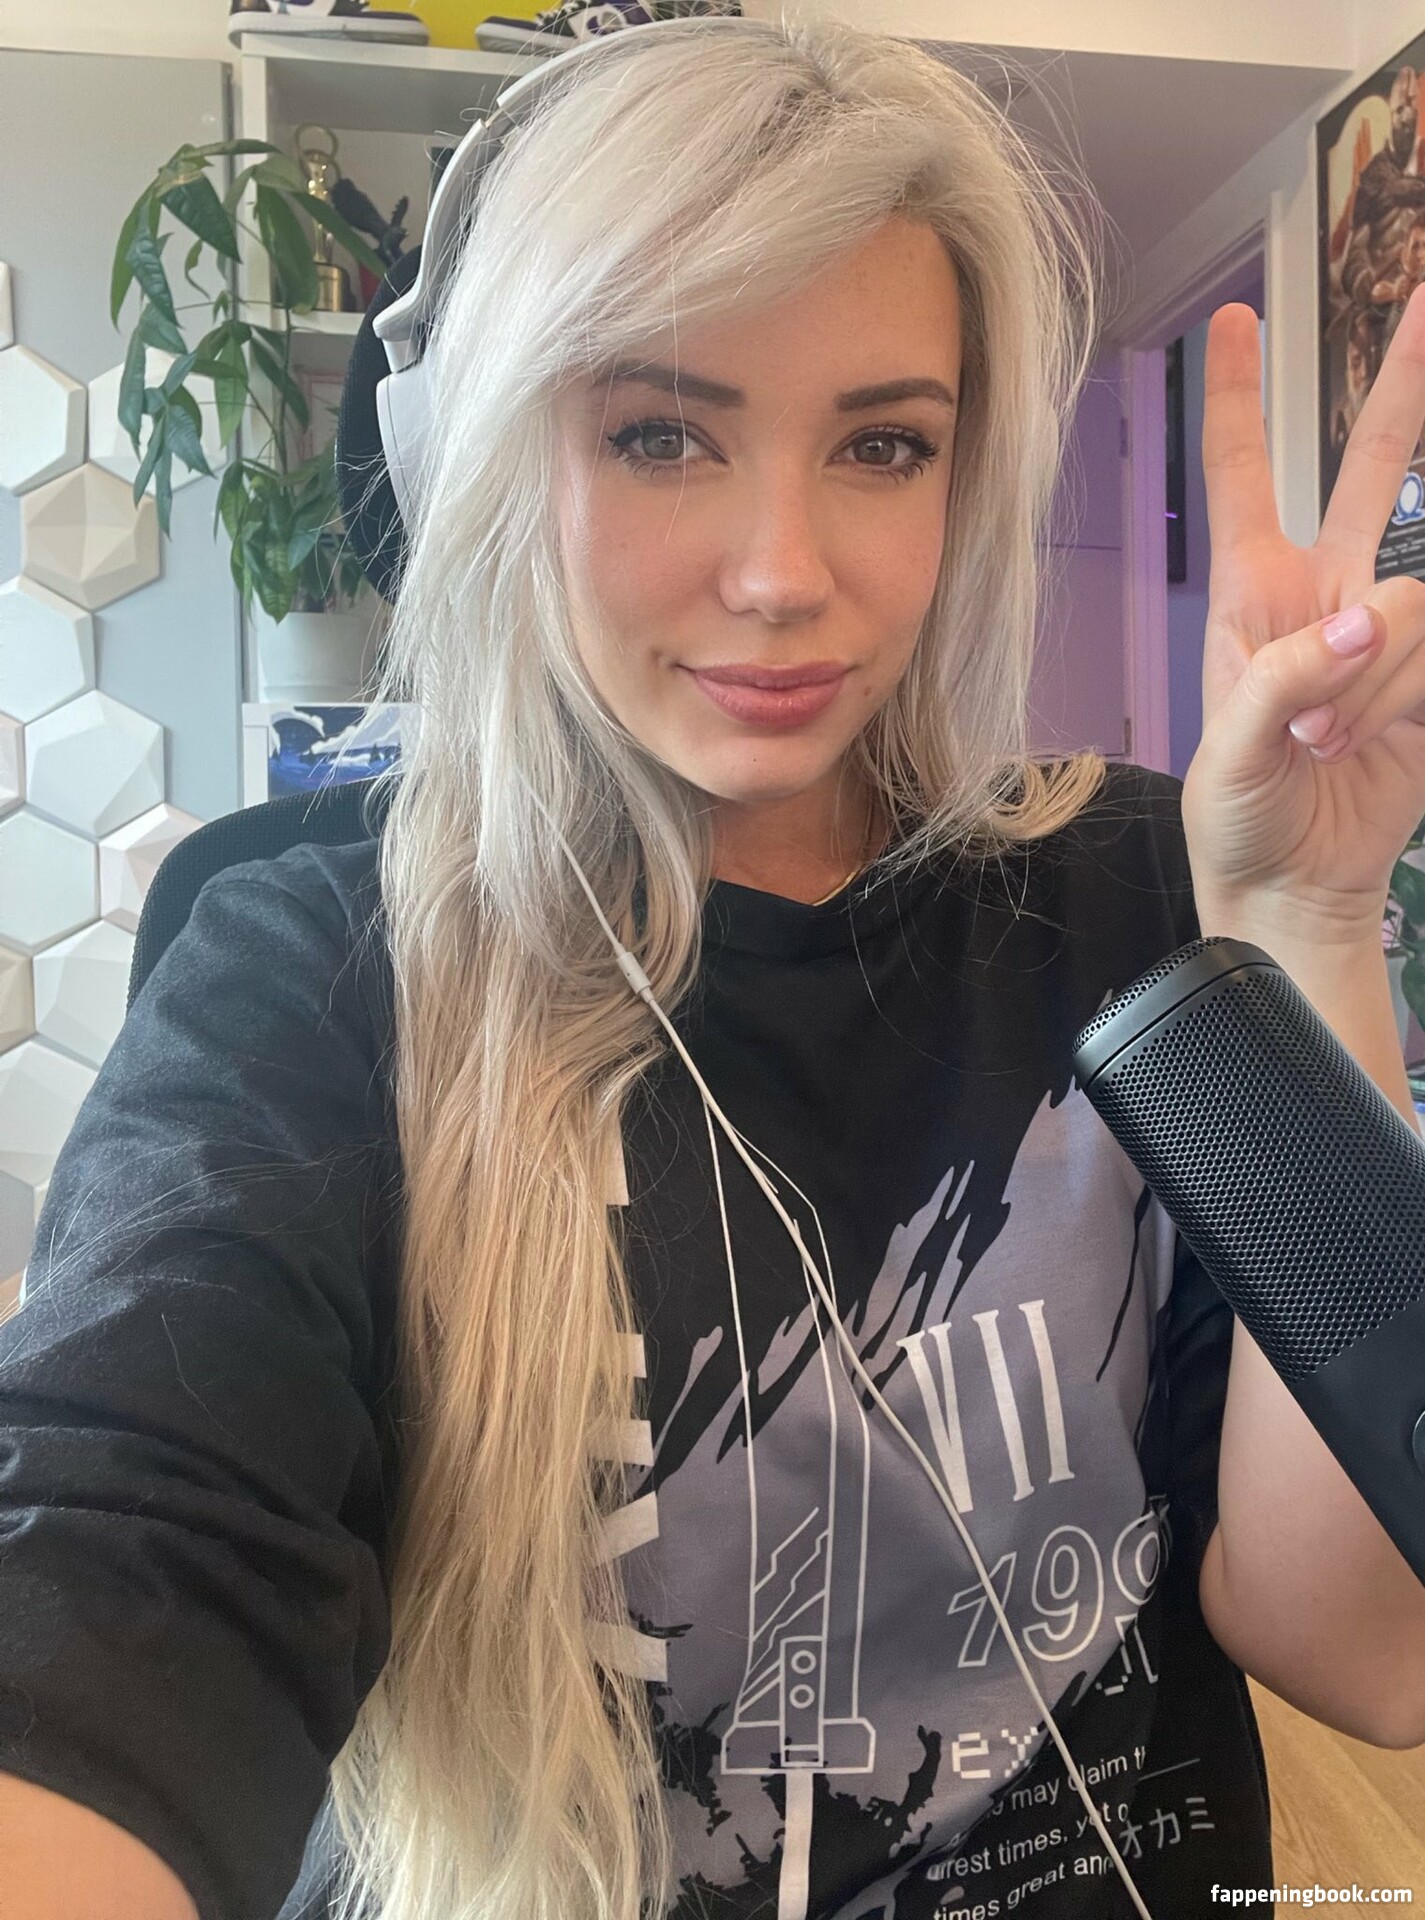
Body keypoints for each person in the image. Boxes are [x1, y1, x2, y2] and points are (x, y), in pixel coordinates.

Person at [4, 15, 1425, 1920]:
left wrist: (1308, 920)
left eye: (882, 444)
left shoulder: (1129, 891)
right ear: (480, 452)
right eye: (660, 433)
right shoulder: (313, 975)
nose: (780, 571)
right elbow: (111, 1564)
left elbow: (1365, 1655)